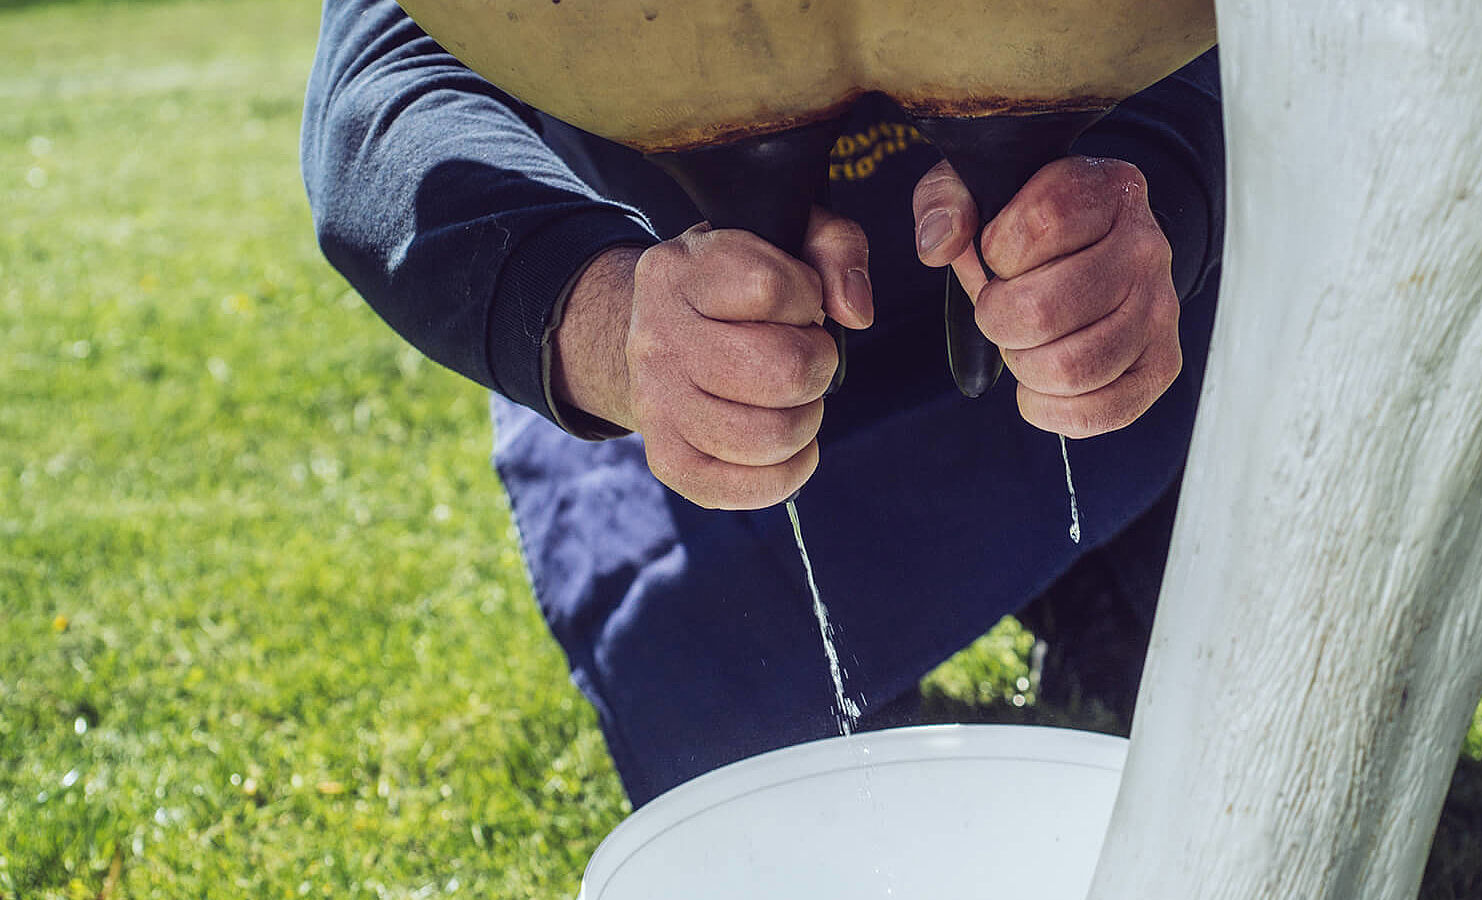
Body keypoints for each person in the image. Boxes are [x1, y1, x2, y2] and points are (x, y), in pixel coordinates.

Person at [301, 0, 1226, 806]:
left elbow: (1298, 29)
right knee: (737, 741)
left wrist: (1157, 184)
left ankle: (1092, 574)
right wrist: (595, 311)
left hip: (1112, 330)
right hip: (686, 352)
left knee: (1238, 686)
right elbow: (384, 80)